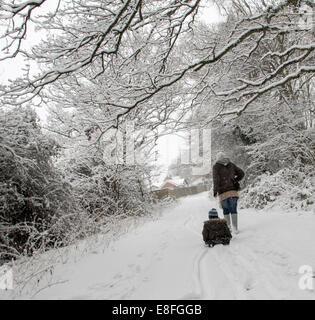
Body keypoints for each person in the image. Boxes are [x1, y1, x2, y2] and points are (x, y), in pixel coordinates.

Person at [212, 152, 245, 234]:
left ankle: (229, 228)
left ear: (217, 158)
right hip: (233, 192)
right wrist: (235, 180)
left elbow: (216, 180)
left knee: (226, 210)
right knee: (233, 209)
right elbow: (242, 173)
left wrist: (215, 191)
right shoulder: (231, 164)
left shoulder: (216, 167)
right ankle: (235, 228)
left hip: (223, 193)